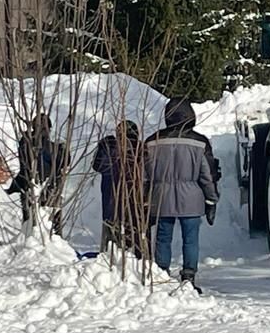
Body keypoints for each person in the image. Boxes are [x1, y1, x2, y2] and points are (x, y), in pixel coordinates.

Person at [144, 98, 219, 288]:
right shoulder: (199, 143)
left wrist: (145, 200)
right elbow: (207, 175)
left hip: (161, 198)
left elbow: (145, 175)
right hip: (192, 198)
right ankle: (188, 276)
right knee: (190, 239)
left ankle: (161, 273)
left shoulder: (153, 141)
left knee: (163, 238)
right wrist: (211, 199)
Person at [6, 114, 69, 236]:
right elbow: (62, 162)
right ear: (48, 128)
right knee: (52, 231)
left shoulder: (24, 143)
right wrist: (63, 149)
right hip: (48, 191)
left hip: (28, 188)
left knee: (29, 227)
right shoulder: (49, 147)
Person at [93, 120, 143, 253]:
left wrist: (102, 147)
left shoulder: (109, 147)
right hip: (134, 201)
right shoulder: (140, 149)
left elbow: (96, 166)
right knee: (133, 231)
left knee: (111, 231)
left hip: (110, 198)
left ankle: (109, 256)